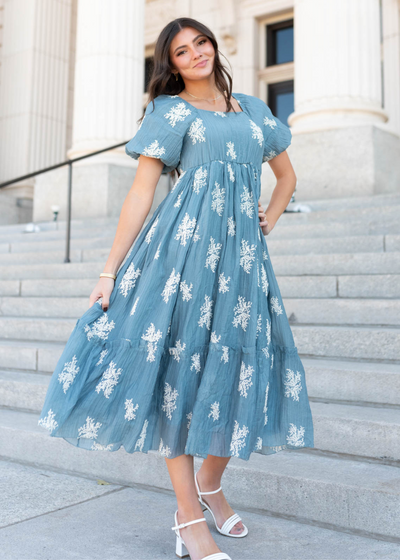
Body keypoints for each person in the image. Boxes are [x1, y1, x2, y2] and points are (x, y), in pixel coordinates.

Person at [37, 17, 314, 560]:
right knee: (179, 379)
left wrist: (268, 220)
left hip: (243, 265)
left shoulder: (254, 110)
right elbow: (141, 194)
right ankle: (189, 516)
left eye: (201, 43)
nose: (196, 55)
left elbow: (287, 176)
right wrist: (109, 271)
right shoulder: (171, 113)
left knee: (238, 374)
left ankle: (211, 486)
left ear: (214, 46)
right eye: (182, 52)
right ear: (172, 65)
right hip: (182, 257)